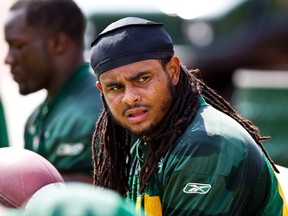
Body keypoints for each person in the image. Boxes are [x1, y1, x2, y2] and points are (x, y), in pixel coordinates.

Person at [90, 17, 288, 215]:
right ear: (101, 90)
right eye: (115, 87)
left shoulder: (207, 142)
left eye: (143, 79)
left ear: (173, 71)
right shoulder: (139, 140)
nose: (129, 98)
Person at [4, 0, 102, 183]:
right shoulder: (38, 116)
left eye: (17, 45)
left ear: (58, 43)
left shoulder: (97, 110)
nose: (8, 59)